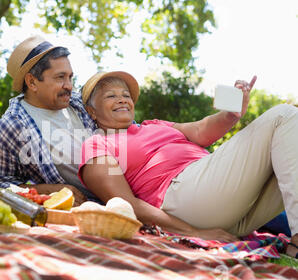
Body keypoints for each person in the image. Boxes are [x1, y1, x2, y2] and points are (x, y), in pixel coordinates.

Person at [78, 71, 298, 259]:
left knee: (288, 144)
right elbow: (125, 204)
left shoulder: (154, 125)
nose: (122, 99)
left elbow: (201, 130)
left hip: (227, 208)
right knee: (284, 115)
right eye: (111, 95)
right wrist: (195, 232)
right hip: (183, 200)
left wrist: (230, 115)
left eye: (126, 95)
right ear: (91, 111)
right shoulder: (97, 144)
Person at [0, 35, 98, 204]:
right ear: (32, 82)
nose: (69, 85)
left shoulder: (81, 103)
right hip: (94, 208)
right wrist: (51, 191)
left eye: (70, 77)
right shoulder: (10, 127)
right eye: (60, 77)